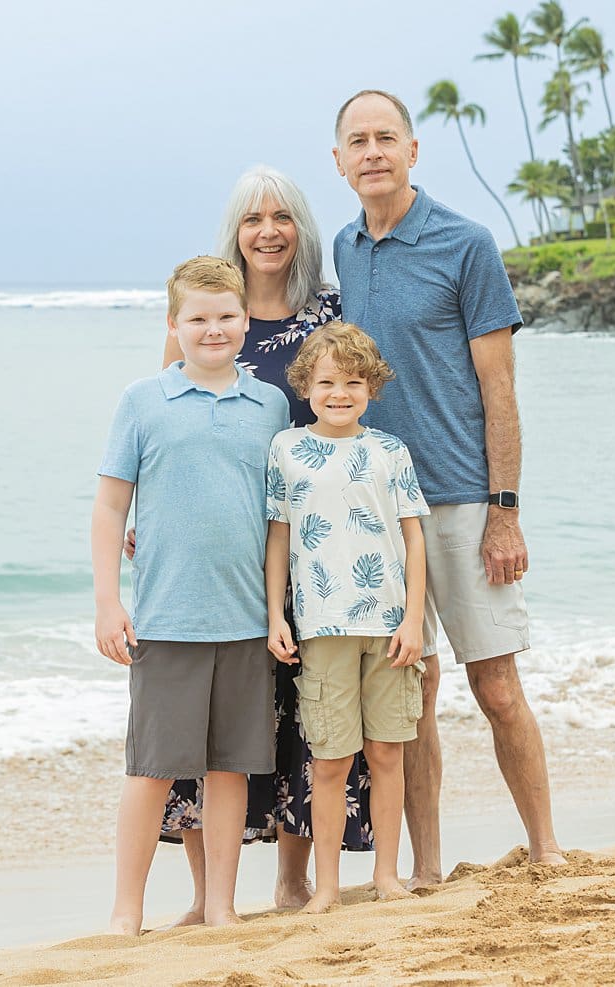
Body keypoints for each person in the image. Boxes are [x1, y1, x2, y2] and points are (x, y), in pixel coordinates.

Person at [329, 89, 568, 886]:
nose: (372, 152)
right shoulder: (345, 248)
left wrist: (506, 511)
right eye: (357, 141)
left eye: (385, 138)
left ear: (412, 151)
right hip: (377, 512)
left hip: (465, 501)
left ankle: (547, 849)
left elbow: (500, 389)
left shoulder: (467, 244)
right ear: (339, 160)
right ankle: (425, 870)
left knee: (497, 686)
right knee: (412, 700)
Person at [152, 166, 376, 920]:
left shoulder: (328, 315)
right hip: (216, 552)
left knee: (298, 712)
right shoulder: (209, 312)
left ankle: (290, 880)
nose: (269, 230)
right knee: (205, 717)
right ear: (235, 231)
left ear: (301, 227)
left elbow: (362, 412)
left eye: (282, 215)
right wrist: (140, 519)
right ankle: (203, 895)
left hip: (308, 547)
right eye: (253, 219)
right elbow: (162, 427)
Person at [92, 255, 289, 934]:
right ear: (173, 324)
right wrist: (108, 602)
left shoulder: (270, 404)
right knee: (150, 770)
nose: (214, 329)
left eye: (227, 316)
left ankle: (222, 905)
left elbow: (276, 520)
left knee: (229, 769)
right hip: (167, 619)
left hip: (244, 620)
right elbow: (111, 507)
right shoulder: (142, 401)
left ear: (245, 320)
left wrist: (277, 612)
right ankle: (127, 910)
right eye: (198, 318)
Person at [264, 322, 428, 913]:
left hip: (390, 629)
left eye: (354, 382)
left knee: (387, 753)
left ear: (372, 388)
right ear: (305, 384)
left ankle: (387, 874)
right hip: (321, 627)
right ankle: (327, 886)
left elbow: (414, 540)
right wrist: (274, 615)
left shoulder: (390, 451)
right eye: (327, 381)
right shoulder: (286, 449)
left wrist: (414, 620)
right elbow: (278, 540)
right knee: (329, 760)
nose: (340, 393)